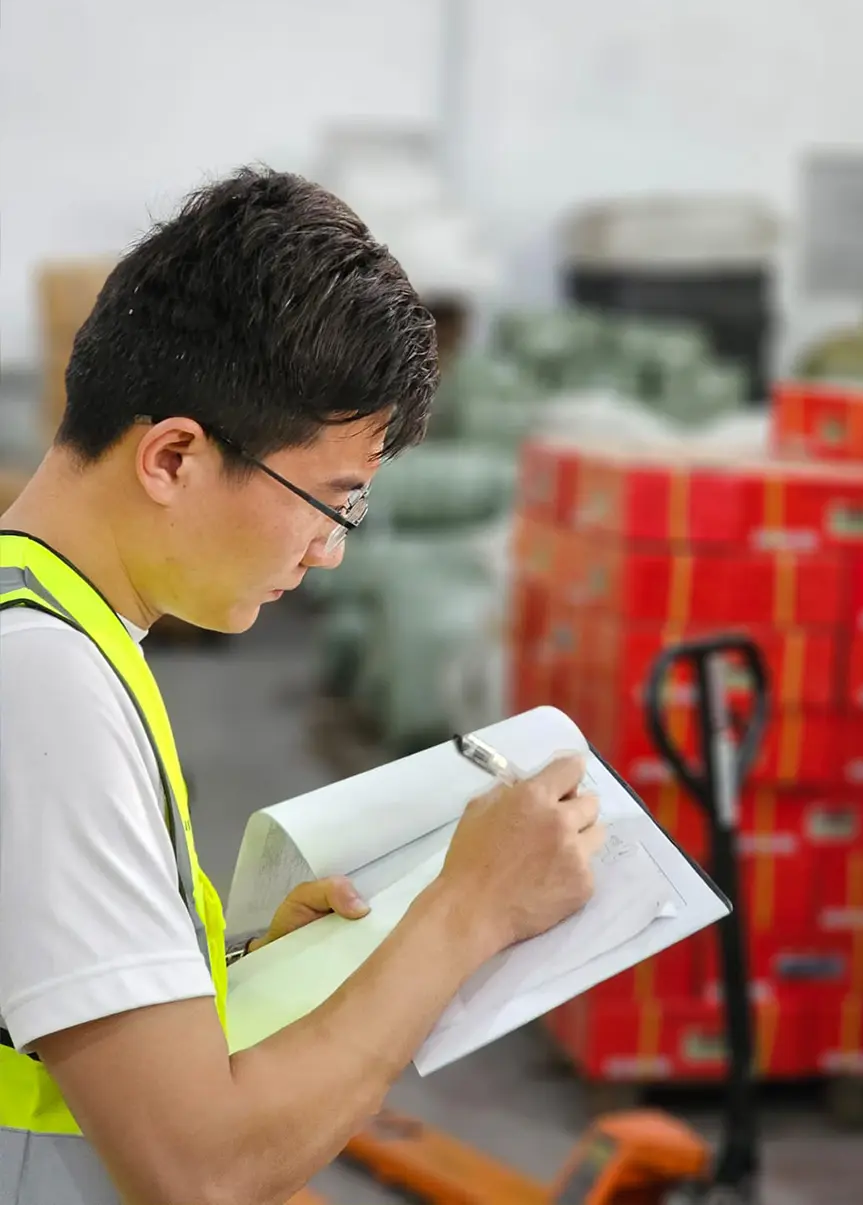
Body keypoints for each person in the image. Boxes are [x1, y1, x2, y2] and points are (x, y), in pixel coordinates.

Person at [0, 168, 605, 1205]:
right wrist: (468, 909)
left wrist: (223, 972)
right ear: (175, 457)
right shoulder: (41, 683)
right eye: (325, 501)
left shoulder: (54, 629)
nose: (328, 552)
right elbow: (199, 1171)